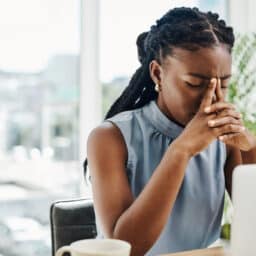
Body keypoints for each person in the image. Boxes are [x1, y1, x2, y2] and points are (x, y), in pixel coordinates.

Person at [86, 7, 256, 256]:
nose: (212, 99)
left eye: (225, 84)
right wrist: (181, 150)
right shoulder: (110, 138)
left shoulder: (224, 140)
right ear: (158, 73)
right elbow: (126, 248)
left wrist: (250, 148)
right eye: (194, 84)